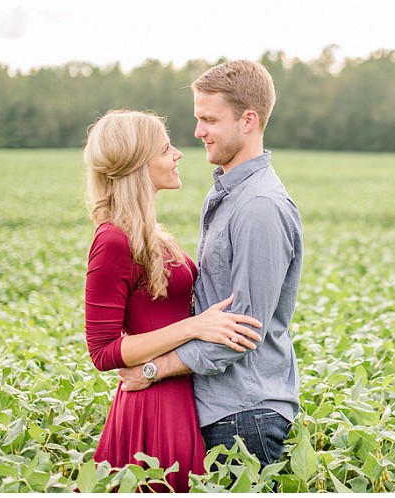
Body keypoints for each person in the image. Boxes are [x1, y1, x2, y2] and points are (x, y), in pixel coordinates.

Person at [118, 60, 304, 468]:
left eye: (209, 120)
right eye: (197, 118)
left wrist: (154, 368)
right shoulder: (227, 194)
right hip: (222, 408)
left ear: (248, 120)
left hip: (244, 412)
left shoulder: (259, 207)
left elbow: (243, 329)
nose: (199, 131)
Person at [83, 109, 263, 492]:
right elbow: (102, 350)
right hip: (151, 405)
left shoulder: (153, 234)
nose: (179, 154)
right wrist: (194, 326)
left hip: (180, 393)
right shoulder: (112, 240)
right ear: (138, 163)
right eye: (166, 149)